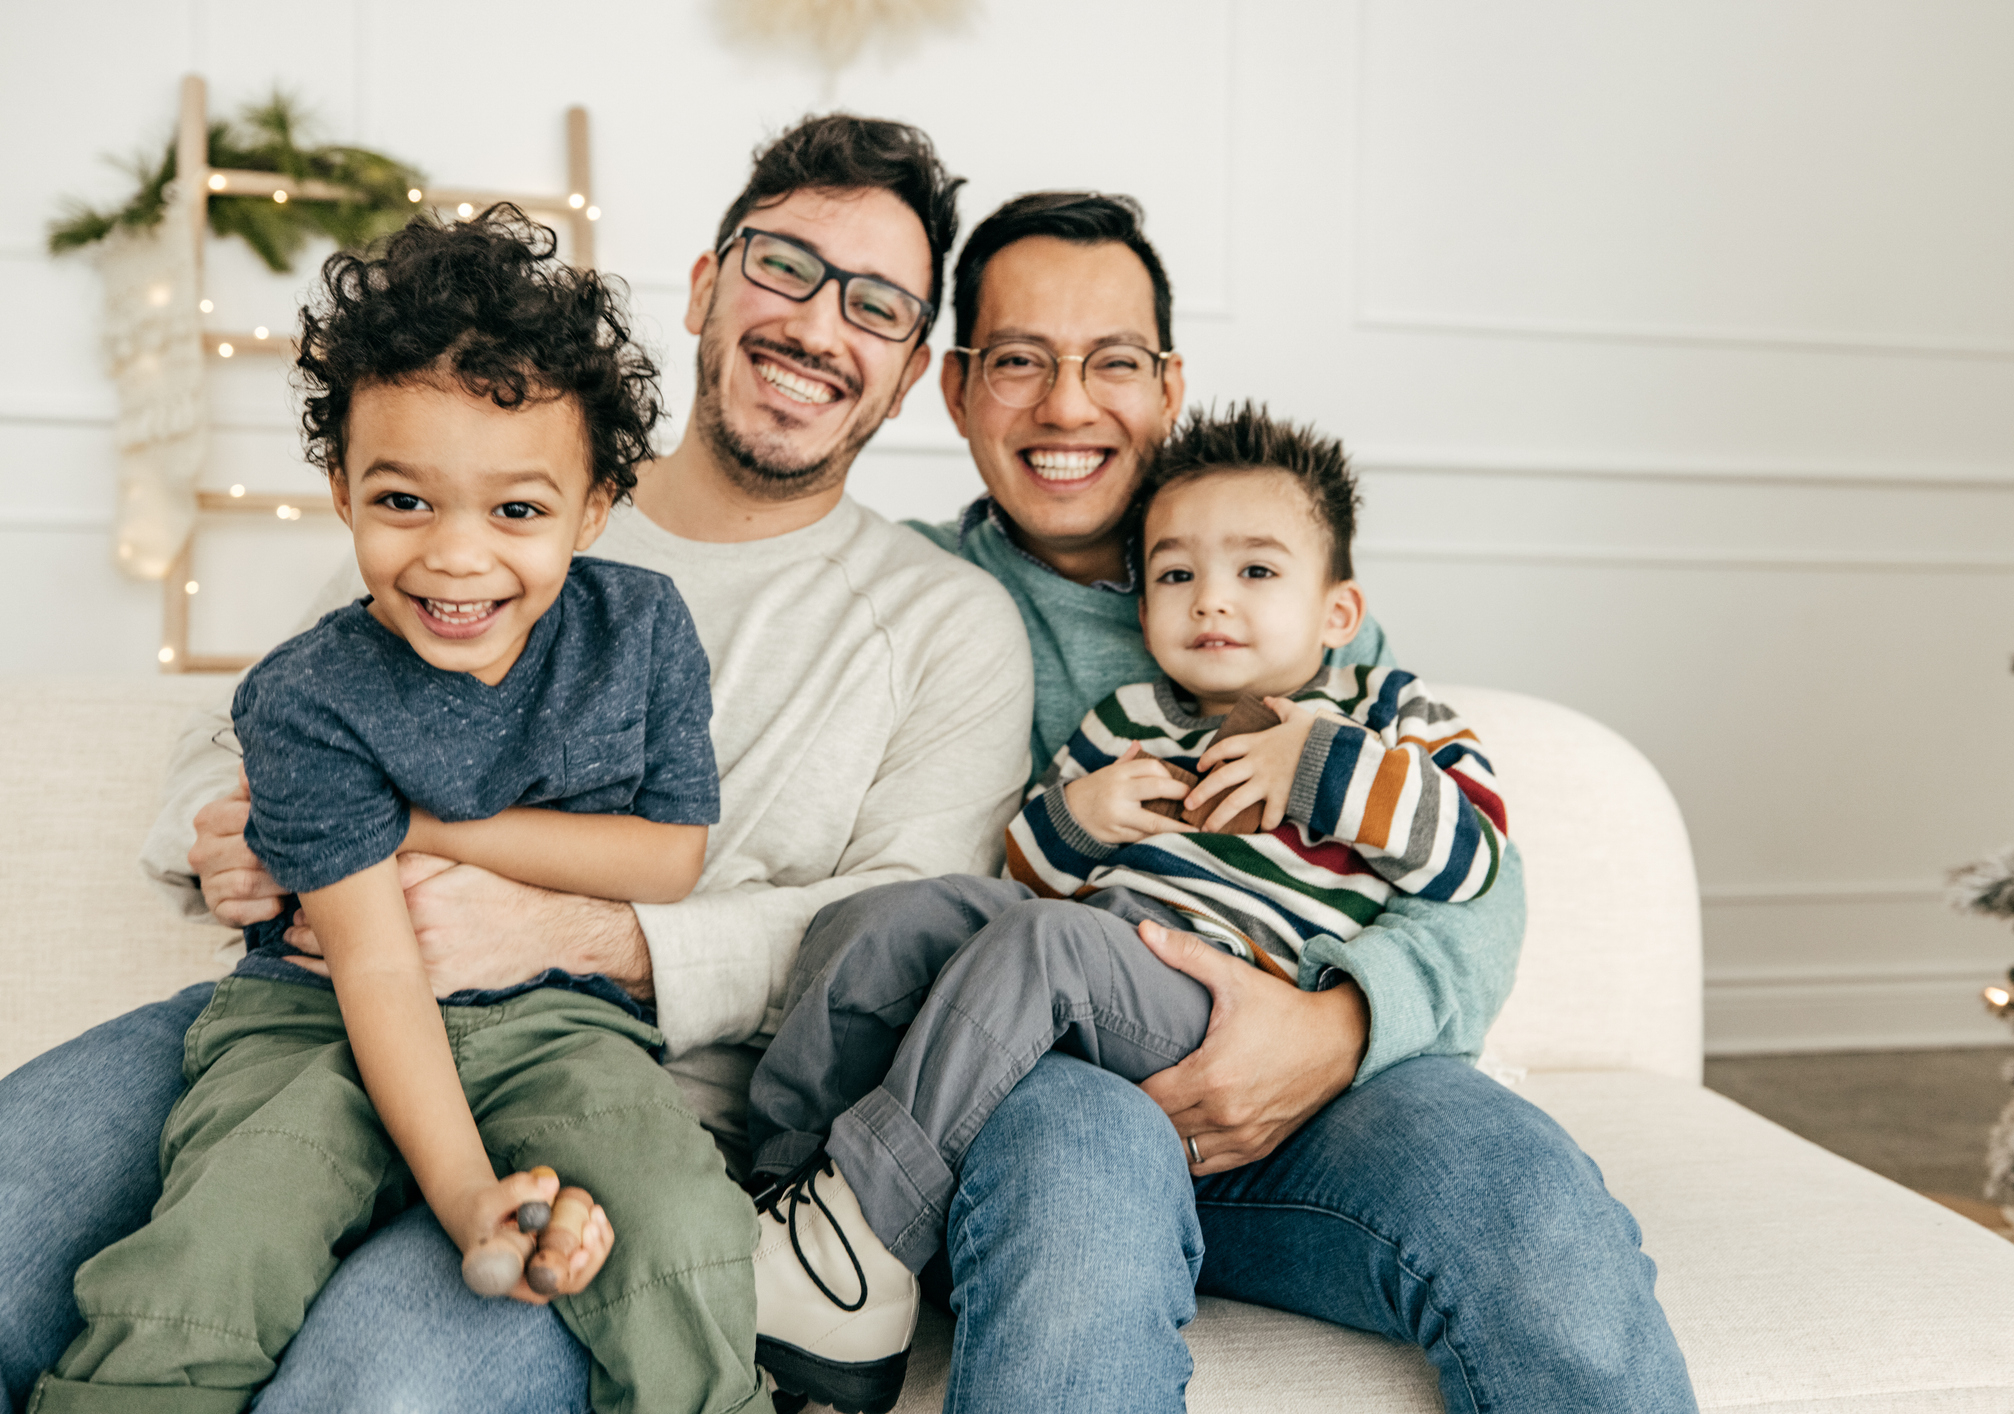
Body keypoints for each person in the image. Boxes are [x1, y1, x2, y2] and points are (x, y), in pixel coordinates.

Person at [0, 116, 1033, 1412]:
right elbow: (257, 723)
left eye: (876, 301)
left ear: (912, 364)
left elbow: (906, 933)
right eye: (785, 265)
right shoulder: (458, 468)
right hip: (306, 994)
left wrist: (593, 930)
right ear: (709, 286)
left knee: (371, 1388)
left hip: (603, 1062)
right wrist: (229, 832)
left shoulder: (940, 622)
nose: (821, 323)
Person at [887, 191, 1698, 1413]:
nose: (1065, 406)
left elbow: (1473, 870)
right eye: (1016, 362)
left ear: (1167, 384)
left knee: (1530, 1206)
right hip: (1049, 1084)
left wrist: (1338, 1033)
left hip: (1320, 1069)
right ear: (955, 389)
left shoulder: (1276, 565)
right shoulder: (912, 591)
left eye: (1110, 362)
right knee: (1077, 1213)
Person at [34, 208, 772, 1414]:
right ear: (339, 490)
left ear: (594, 508)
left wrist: (428, 831)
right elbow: (378, 969)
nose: (456, 559)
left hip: (561, 1024)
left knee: (685, 1230)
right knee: (222, 1244)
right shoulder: (306, 695)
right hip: (314, 1013)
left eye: (517, 512)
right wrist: (470, 1195)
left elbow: (672, 855)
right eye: (405, 502)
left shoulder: (640, 634)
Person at [744, 405, 1510, 1414]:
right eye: (1176, 574)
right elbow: (1025, 876)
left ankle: (865, 1235)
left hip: (1218, 1002)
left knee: (1051, 943)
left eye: (1256, 571)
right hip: (1081, 982)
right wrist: (1075, 816)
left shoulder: (1385, 710)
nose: (1212, 603)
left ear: (1336, 611)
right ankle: (775, 1194)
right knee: (885, 919)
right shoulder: (1125, 720)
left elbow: (1471, 856)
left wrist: (1319, 763)